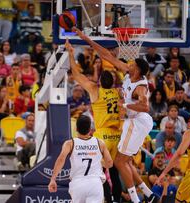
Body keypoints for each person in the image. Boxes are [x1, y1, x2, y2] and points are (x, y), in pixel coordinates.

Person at [74, 27, 159, 203]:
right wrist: (85, 38)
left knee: (120, 162)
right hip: (132, 122)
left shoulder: (141, 87)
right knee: (125, 161)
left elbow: (145, 106)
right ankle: (148, 194)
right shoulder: (130, 73)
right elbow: (107, 56)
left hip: (137, 121)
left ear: (137, 70)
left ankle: (136, 200)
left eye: (132, 64)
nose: (129, 64)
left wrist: (125, 103)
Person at [65, 40, 122, 202]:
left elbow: (76, 75)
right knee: (115, 171)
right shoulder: (119, 92)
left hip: (103, 135)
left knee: (99, 172)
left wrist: (71, 54)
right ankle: (117, 200)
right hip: (117, 135)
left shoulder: (95, 91)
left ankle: (108, 199)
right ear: (112, 82)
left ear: (100, 82)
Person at [48, 115, 113, 203]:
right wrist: (99, 163)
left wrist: (53, 179)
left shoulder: (70, 143)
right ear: (90, 129)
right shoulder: (100, 142)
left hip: (78, 183)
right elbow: (109, 163)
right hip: (95, 183)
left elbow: (60, 160)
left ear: (76, 128)